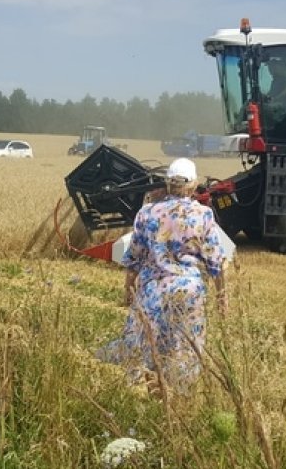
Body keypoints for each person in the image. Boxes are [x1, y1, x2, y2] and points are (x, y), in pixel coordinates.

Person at [98, 157, 229, 395]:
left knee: (142, 340)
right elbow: (215, 261)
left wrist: (128, 286)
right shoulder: (204, 215)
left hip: (153, 288)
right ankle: (179, 393)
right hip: (190, 289)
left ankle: (140, 389)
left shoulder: (148, 213)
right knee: (184, 343)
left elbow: (135, 254)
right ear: (194, 185)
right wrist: (222, 295)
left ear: (168, 183)